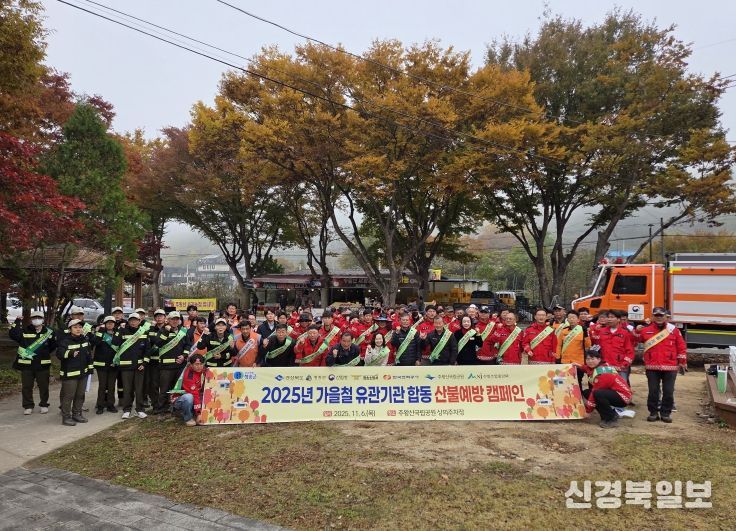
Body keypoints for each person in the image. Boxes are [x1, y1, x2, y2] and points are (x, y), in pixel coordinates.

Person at [636, 307, 687, 423]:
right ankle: (653, 413)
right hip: (652, 366)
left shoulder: (674, 330)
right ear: (653, 317)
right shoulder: (645, 330)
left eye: (661, 315)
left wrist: (682, 362)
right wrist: (636, 330)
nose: (659, 317)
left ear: (666, 317)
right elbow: (633, 340)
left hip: (670, 366)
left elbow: (681, 346)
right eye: (656, 315)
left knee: (668, 391)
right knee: (653, 391)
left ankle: (665, 413)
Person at [9, 310, 56, 415]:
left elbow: (53, 345)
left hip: (43, 364)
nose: (37, 320)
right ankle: (28, 406)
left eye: (39, 318)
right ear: (31, 319)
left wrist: (43, 353)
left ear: (43, 319)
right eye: (34, 318)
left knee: (44, 386)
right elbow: (13, 334)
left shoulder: (49, 332)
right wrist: (17, 321)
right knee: (26, 387)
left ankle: (44, 404)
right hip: (27, 364)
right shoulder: (25, 331)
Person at [581, 346, 632, 429]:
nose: (590, 361)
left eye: (592, 359)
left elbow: (594, 392)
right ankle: (608, 415)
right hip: (613, 393)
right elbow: (587, 368)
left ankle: (610, 419)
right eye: (588, 359)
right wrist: (578, 366)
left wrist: (588, 411)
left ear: (599, 359)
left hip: (623, 397)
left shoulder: (602, 373)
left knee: (597, 394)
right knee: (587, 392)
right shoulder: (599, 366)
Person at [112, 312, 150, 419]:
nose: (133, 322)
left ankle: (140, 409)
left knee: (139, 389)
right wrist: (119, 329)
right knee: (127, 389)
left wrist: (144, 363)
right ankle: (127, 410)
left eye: (135, 320)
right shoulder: (123, 331)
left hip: (139, 366)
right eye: (131, 320)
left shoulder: (143, 332)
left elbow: (147, 350)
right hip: (126, 367)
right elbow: (115, 343)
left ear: (139, 321)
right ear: (128, 321)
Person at [56, 319, 93, 426]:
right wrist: (70, 353)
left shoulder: (85, 340)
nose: (78, 329)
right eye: (75, 327)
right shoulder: (65, 341)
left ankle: (77, 414)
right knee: (69, 396)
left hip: (83, 374)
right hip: (70, 374)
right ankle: (66, 417)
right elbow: (59, 354)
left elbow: (89, 356)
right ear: (70, 329)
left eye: (80, 327)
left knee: (80, 395)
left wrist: (90, 369)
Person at [154, 311, 191, 415]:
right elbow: (158, 343)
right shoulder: (162, 330)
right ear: (168, 320)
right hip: (166, 366)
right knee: (164, 389)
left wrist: (184, 356)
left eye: (177, 319)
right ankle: (161, 409)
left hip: (180, 365)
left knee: (178, 389)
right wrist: (166, 332)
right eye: (172, 319)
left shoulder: (183, 330)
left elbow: (188, 345)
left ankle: (176, 408)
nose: (175, 321)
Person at [596, 310, 634, 383]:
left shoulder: (625, 333)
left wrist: (624, 364)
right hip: (605, 367)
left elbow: (630, 351)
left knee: (621, 387)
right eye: (608, 317)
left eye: (612, 317)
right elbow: (597, 348)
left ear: (618, 319)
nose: (609, 319)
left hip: (620, 368)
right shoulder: (601, 331)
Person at [171, 353, 208, 426]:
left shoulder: (204, 370)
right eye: (196, 364)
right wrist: (199, 414)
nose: (199, 366)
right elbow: (195, 394)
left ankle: (198, 415)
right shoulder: (189, 375)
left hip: (195, 396)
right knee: (188, 397)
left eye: (201, 364)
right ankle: (188, 418)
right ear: (191, 365)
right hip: (180, 399)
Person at [556, 310, 591, 388]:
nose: (571, 319)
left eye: (573, 317)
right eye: (569, 318)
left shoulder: (582, 330)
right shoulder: (564, 330)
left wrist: (586, 335)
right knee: (564, 381)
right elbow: (559, 345)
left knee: (577, 381)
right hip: (565, 361)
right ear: (567, 319)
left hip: (578, 361)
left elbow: (588, 346)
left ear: (578, 319)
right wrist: (558, 357)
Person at [91, 316, 118, 414]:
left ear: (114, 324)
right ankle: (100, 406)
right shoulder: (100, 333)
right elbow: (94, 342)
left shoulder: (117, 334)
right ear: (105, 324)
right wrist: (100, 332)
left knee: (111, 386)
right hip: (101, 364)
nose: (110, 324)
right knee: (102, 386)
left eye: (112, 323)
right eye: (108, 323)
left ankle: (110, 405)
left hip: (113, 364)